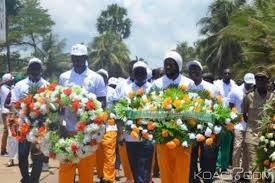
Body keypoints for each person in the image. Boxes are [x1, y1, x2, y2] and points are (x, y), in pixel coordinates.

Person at [58, 44, 106, 183]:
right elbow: (60, 104)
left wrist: (90, 113)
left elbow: (102, 102)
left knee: (86, 170)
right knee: (66, 168)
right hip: (68, 129)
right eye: (74, 58)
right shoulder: (64, 77)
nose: (77, 61)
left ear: (85, 58)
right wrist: (61, 124)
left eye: (80, 58)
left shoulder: (96, 77)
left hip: (88, 131)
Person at [152, 50, 193, 183]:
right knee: (165, 168)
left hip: (182, 134)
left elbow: (195, 106)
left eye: (171, 64)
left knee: (181, 169)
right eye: (166, 64)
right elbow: (150, 105)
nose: (168, 67)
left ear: (179, 66)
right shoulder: (157, 84)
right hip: (162, 132)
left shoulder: (188, 83)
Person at [11, 58, 48, 183]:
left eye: (37, 67)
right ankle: (25, 178)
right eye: (32, 67)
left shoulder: (46, 85)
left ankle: (34, 179)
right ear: (28, 69)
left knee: (38, 155)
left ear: (41, 69)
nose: (35, 69)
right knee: (22, 154)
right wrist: (19, 115)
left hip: (40, 126)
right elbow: (13, 103)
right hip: (23, 125)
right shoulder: (19, 85)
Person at [119, 61, 154, 183]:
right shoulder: (126, 89)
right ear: (133, 73)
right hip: (130, 136)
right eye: (137, 71)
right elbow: (121, 111)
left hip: (148, 135)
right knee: (135, 167)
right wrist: (121, 134)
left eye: (142, 71)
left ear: (146, 73)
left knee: (146, 166)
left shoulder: (153, 89)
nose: (139, 73)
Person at [187, 60, 219, 183]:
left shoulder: (211, 87)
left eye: (196, 68)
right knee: (191, 159)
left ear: (201, 71)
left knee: (208, 159)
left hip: (208, 129)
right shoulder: (186, 87)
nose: (193, 70)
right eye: (191, 69)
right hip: (190, 128)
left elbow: (218, 107)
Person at [242, 67, 274, 183]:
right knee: (254, 165)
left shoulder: (273, 97)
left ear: (267, 81)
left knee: (266, 166)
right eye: (258, 79)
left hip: (267, 138)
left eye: (263, 79)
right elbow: (244, 114)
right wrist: (252, 124)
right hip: (251, 135)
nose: (260, 81)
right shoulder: (248, 96)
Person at [231, 73, 255, 182]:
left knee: (246, 150)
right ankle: (235, 174)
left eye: (251, 84)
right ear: (244, 81)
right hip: (238, 124)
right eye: (248, 84)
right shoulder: (235, 90)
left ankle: (244, 174)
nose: (250, 86)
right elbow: (230, 106)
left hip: (250, 125)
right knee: (237, 148)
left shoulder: (255, 93)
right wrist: (231, 122)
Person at [96, 69, 118, 182]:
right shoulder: (92, 89)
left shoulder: (112, 91)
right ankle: (101, 176)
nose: (101, 78)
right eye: (98, 76)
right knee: (98, 155)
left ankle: (108, 178)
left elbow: (117, 108)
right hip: (94, 128)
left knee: (109, 155)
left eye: (103, 76)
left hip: (110, 128)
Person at [214, 68, 237, 173]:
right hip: (219, 116)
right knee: (218, 141)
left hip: (230, 116)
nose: (227, 74)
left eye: (229, 73)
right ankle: (217, 165)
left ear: (231, 75)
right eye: (225, 73)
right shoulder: (217, 84)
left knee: (227, 142)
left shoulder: (235, 86)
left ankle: (223, 166)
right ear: (222, 74)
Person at [0, 73, 14, 156]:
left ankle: (11, 150)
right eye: (11, 79)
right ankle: (3, 150)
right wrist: (4, 82)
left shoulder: (12, 87)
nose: (12, 80)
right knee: (6, 130)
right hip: (5, 111)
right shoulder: (2, 88)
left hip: (11, 111)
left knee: (12, 131)